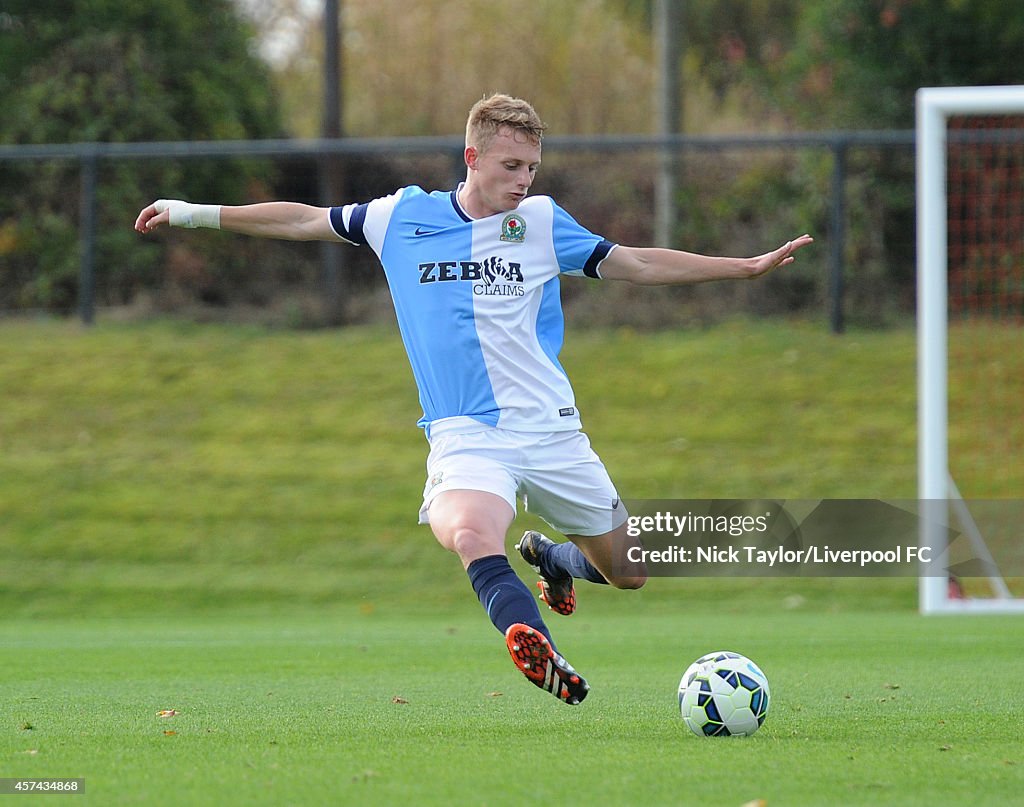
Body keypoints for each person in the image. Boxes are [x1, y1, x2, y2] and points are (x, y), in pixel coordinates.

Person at [135, 93, 813, 706]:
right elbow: (301, 221)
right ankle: (534, 638)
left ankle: (556, 559)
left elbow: (636, 262)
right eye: (511, 165)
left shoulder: (543, 223)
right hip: (467, 433)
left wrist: (745, 267)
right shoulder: (401, 217)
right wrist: (193, 213)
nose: (523, 180)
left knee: (629, 571)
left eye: (532, 169)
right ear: (472, 157)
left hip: (551, 432)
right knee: (470, 531)